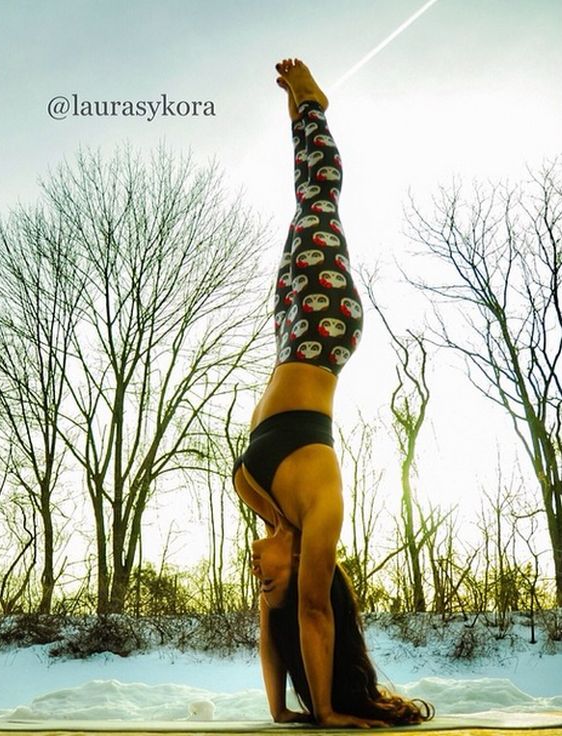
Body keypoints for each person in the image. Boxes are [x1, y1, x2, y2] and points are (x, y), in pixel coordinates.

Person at [232, 59, 433, 728]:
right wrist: (329, 713)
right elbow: (313, 614)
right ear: (301, 564)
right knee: (318, 199)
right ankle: (313, 108)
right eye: (268, 577)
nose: (256, 569)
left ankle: (303, 117)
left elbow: (274, 633)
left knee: (300, 213)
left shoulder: (274, 519)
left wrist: (282, 709)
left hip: (289, 331)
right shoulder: (318, 510)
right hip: (324, 325)